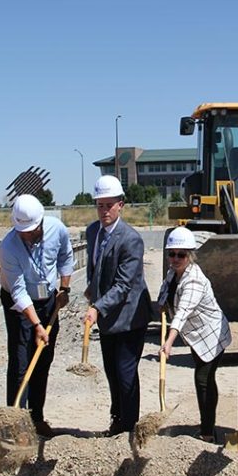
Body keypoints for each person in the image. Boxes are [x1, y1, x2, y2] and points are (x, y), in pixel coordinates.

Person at [0, 194, 74, 438]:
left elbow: (65, 255)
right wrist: (37, 325)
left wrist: (64, 288)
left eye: (32, 231)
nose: (28, 236)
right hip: (19, 307)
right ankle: (16, 423)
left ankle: (36, 416)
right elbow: (19, 292)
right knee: (21, 362)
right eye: (23, 232)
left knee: (43, 361)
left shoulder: (57, 229)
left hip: (48, 300)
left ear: (42, 221)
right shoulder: (9, 247)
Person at [85, 175, 152, 436]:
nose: (104, 211)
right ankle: (118, 419)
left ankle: (129, 427)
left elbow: (124, 285)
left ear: (120, 205)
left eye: (109, 205)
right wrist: (92, 288)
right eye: (100, 205)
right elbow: (96, 266)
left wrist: (97, 307)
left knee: (125, 375)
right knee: (112, 372)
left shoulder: (130, 240)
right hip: (107, 318)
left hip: (129, 317)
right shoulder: (93, 231)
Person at [158, 227, 231, 442]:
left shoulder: (194, 280)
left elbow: (182, 313)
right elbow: (165, 292)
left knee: (204, 379)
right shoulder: (173, 272)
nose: (175, 258)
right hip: (195, 335)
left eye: (181, 255)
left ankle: (208, 432)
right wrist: (162, 304)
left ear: (190, 255)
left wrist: (168, 342)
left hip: (212, 335)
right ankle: (207, 428)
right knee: (202, 377)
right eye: (172, 254)